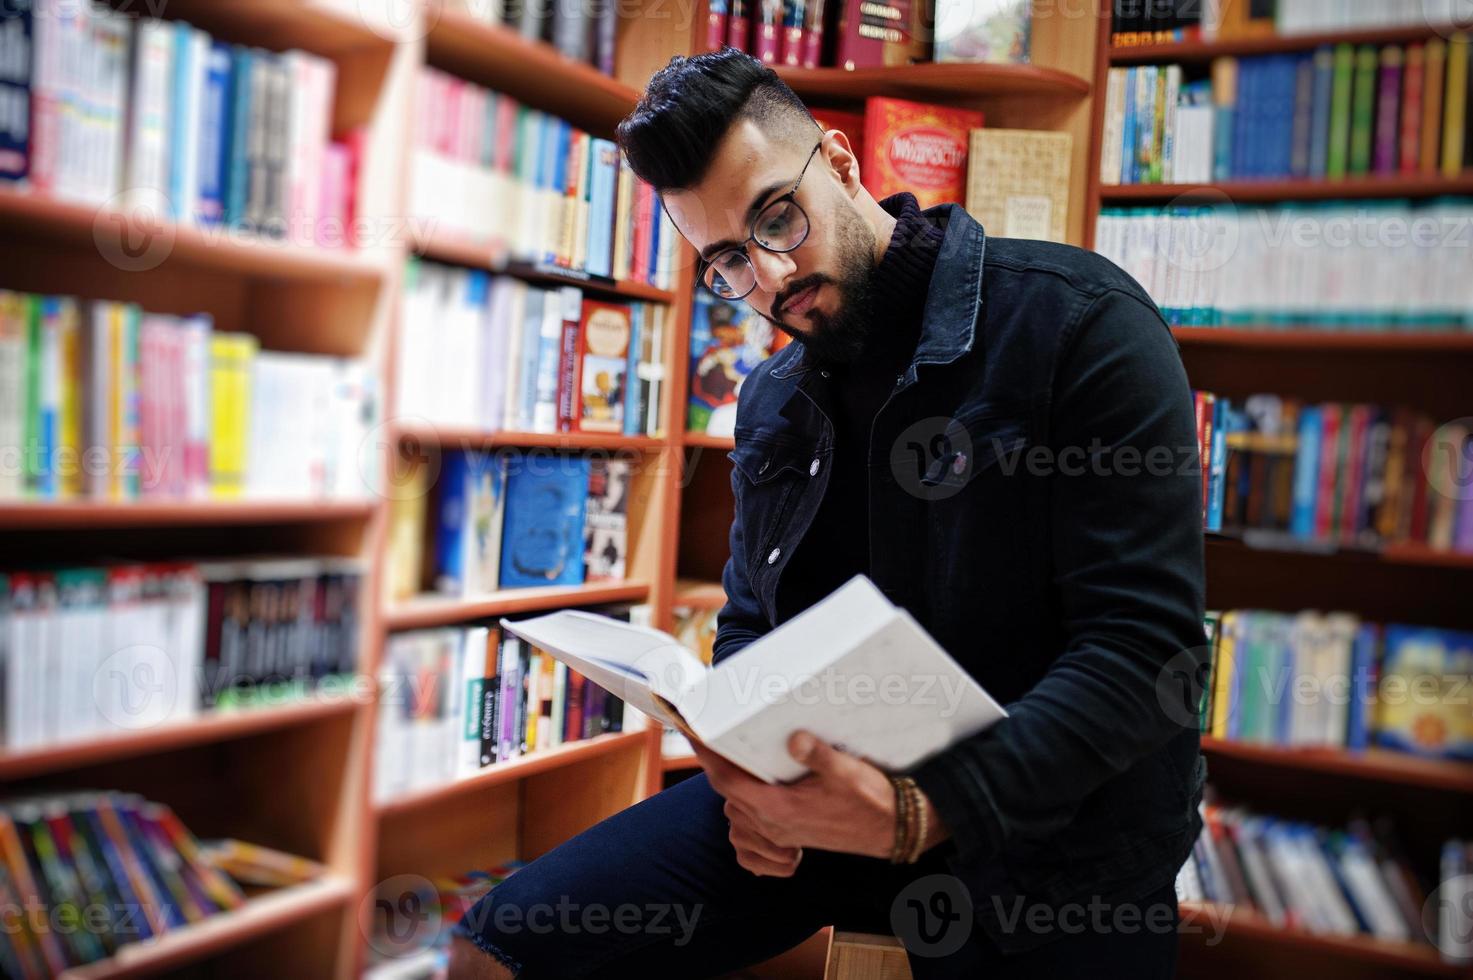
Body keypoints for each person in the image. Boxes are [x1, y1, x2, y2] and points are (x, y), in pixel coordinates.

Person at [450, 48, 1207, 978]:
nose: (766, 275)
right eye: (725, 258)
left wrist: (924, 809)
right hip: (824, 812)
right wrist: (744, 782)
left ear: (842, 165)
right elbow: (751, 625)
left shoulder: (1076, 322)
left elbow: (1144, 653)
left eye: (776, 216)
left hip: (1052, 838)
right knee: (496, 951)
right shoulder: (768, 397)